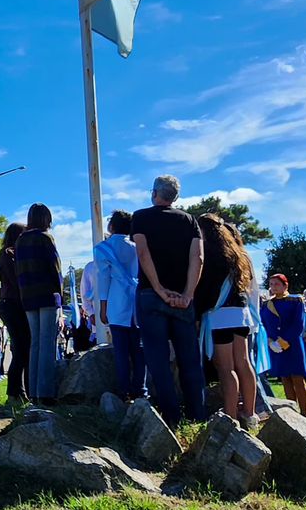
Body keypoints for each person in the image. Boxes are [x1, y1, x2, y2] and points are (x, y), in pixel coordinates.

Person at [131, 175, 205, 427]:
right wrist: (188, 294)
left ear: (154, 193)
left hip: (151, 295)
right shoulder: (190, 220)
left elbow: (143, 253)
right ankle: (197, 416)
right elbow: (198, 258)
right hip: (183, 297)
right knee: (190, 360)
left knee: (158, 359)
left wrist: (159, 289)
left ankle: (171, 417)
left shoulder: (141, 217)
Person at [195, 215, 257, 423]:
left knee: (226, 367)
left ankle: (230, 416)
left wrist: (197, 313)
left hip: (219, 315)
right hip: (241, 314)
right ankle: (250, 412)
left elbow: (205, 290)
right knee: (244, 363)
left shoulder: (209, 254)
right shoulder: (238, 254)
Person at [93, 210, 143, 402]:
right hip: (137, 301)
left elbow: (103, 279)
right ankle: (141, 389)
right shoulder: (136, 247)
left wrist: (102, 306)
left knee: (121, 351)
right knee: (139, 351)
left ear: (111, 226)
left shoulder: (103, 249)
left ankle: (124, 391)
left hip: (116, 301)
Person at [15, 204, 64, 404]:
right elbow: (55, 269)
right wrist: (60, 296)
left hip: (28, 296)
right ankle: (46, 393)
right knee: (47, 343)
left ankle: (34, 392)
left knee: (35, 343)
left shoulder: (20, 240)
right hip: (46, 295)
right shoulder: (46, 238)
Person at [260, 273, 306, 415]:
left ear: (285, 285)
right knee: (285, 378)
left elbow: (298, 324)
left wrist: (283, 342)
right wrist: (270, 341)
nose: (273, 287)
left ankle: (304, 412)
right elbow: (264, 324)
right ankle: (292, 412)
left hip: (293, 344)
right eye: (271, 284)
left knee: (297, 378)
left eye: (277, 284)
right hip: (275, 346)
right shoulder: (267, 304)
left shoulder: (295, 301)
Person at [0, 222, 30, 405]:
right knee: (21, 349)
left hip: (15, 304)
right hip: (12, 305)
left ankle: (21, 390)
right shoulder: (8, 253)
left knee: (23, 349)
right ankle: (14, 392)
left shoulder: (12, 253)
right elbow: (16, 279)